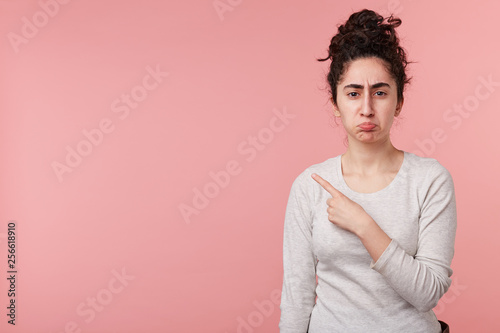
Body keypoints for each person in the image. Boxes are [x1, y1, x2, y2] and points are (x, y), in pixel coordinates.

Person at [278, 9, 456, 333]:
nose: (367, 108)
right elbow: (297, 297)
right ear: (335, 102)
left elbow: (427, 293)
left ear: (399, 101)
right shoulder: (310, 186)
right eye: (353, 93)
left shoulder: (430, 180)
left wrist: (364, 225)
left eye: (380, 92)